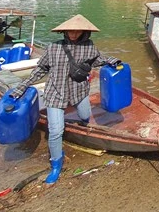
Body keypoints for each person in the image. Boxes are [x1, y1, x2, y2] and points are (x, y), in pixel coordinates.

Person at [10, 14, 121, 185]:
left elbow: (98, 59)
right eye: (70, 31)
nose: (73, 34)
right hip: (56, 93)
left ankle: (84, 131)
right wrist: (21, 87)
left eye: (77, 31)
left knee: (85, 115)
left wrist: (113, 61)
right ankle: (56, 164)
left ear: (84, 32)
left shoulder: (89, 47)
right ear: (64, 31)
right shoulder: (53, 47)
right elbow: (40, 69)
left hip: (79, 91)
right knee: (55, 131)